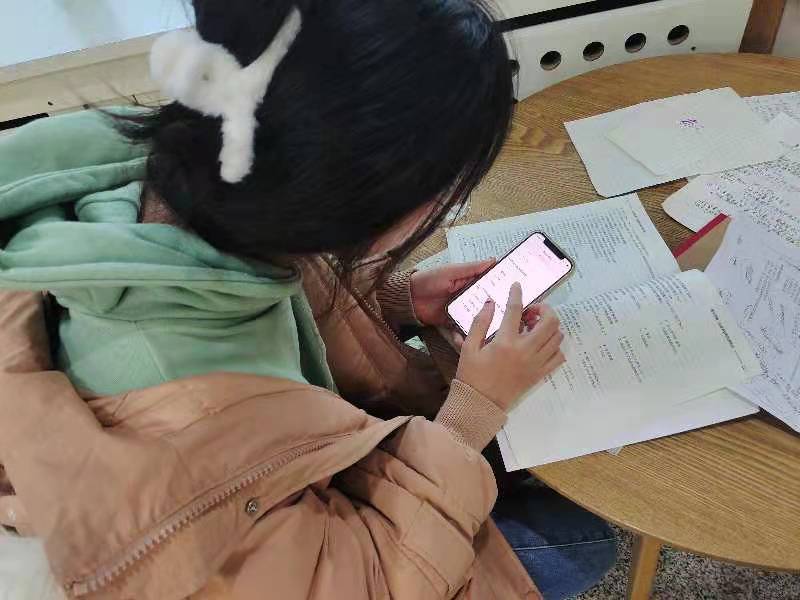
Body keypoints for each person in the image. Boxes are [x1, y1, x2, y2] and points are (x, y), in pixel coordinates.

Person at [0, 1, 616, 598]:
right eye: (438, 190)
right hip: (320, 547)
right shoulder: (187, 426)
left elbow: (292, 303)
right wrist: (473, 412)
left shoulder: (209, 171)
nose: (436, 206)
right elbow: (365, 582)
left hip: (296, 478)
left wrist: (399, 300)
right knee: (588, 543)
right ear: (350, 200)